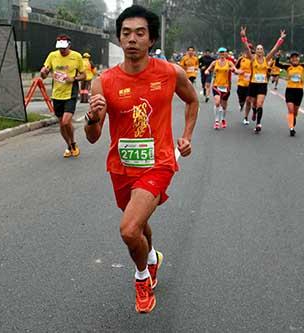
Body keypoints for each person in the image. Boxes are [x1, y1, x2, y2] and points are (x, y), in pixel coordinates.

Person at [84, 5, 199, 313]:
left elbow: (192, 100)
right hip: (120, 167)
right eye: (126, 33)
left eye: (140, 33)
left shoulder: (170, 72)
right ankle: (151, 257)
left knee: (129, 229)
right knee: (139, 222)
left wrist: (187, 135)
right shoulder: (103, 82)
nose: (132, 39)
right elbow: (93, 137)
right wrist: (92, 118)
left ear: (151, 39)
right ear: (119, 39)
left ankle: (141, 276)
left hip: (158, 162)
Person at [40, 35, 86, 157]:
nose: (62, 50)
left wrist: (73, 78)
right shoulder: (52, 55)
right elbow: (44, 73)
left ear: (69, 45)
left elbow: (84, 75)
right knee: (61, 123)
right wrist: (43, 73)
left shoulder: (76, 56)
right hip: (57, 94)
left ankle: (74, 143)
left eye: (64, 48)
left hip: (70, 93)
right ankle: (69, 145)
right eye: (60, 48)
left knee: (66, 121)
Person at [240, 26, 286, 133]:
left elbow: (274, 50)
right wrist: (243, 37)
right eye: (258, 49)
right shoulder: (252, 59)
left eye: (261, 49)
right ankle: (254, 111)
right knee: (254, 104)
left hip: (262, 85)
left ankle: (258, 124)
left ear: (263, 51)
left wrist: (281, 39)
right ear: (255, 51)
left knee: (260, 104)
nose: (259, 51)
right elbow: (247, 48)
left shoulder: (267, 59)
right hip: (253, 84)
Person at [276, 51, 304, 136]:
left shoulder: (302, 66)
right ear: (290, 60)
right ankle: (291, 128)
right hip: (290, 90)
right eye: (293, 58)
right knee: (290, 110)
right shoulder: (288, 67)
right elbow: (277, 64)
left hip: (299, 91)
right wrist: (277, 57)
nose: (295, 59)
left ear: (299, 59)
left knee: (295, 112)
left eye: (296, 57)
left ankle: (293, 119)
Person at [205, 47, 241, 129]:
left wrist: (237, 71)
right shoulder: (215, 62)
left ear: (226, 54)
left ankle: (223, 119)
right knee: (217, 102)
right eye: (220, 52)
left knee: (224, 106)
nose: (222, 54)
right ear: (218, 53)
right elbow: (208, 69)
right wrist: (207, 71)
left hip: (226, 87)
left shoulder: (229, 63)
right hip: (216, 85)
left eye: (223, 52)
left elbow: (235, 70)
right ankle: (216, 121)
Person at [235, 46, 254, 125]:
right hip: (241, 83)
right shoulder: (241, 59)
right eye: (247, 49)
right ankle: (241, 103)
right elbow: (234, 69)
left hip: (251, 83)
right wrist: (239, 71)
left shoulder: (254, 59)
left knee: (248, 101)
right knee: (242, 99)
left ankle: (246, 118)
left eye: (251, 50)